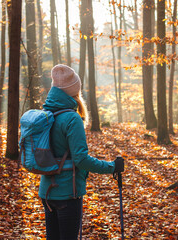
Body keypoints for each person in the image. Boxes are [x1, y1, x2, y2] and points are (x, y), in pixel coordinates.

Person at [39, 64, 124, 239]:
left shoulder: (45, 114)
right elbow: (81, 159)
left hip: (46, 191)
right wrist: (112, 167)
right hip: (68, 194)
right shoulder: (72, 118)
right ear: (74, 90)